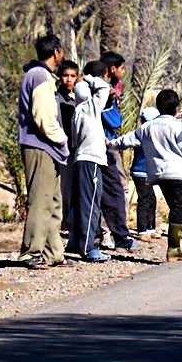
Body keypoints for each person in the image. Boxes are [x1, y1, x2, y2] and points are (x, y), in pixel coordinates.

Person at [110, 89, 182, 262]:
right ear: (176, 108)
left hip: (159, 176)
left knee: (181, 210)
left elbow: (126, 140)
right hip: (179, 175)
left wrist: (109, 143)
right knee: (179, 210)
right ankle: (173, 248)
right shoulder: (178, 127)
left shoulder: (147, 127)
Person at [17, 34, 71, 270]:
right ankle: (31, 252)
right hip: (40, 146)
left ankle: (53, 252)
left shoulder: (41, 75)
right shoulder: (39, 76)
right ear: (56, 52)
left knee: (53, 201)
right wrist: (61, 139)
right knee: (40, 200)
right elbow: (43, 116)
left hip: (47, 148)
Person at [66, 60, 111, 262]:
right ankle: (88, 247)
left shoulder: (77, 111)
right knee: (91, 204)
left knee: (80, 203)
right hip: (91, 161)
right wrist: (91, 77)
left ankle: (75, 242)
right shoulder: (91, 107)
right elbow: (105, 88)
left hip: (81, 160)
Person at [98, 51, 138, 252]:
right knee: (118, 186)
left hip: (107, 143)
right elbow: (114, 120)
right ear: (112, 69)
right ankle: (112, 233)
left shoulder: (110, 89)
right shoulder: (104, 93)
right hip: (106, 145)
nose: (124, 72)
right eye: (122, 68)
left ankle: (111, 232)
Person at [129, 106, 161, 239]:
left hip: (148, 172)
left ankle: (150, 228)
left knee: (151, 200)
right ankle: (142, 231)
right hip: (140, 172)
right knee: (144, 200)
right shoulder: (142, 134)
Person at [57, 59, 79, 232]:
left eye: (72, 76)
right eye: (65, 76)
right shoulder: (56, 99)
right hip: (64, 150)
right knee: (66, 188)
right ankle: (66, 223)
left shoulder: (81, 98)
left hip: (80, 148)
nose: (69, 79)